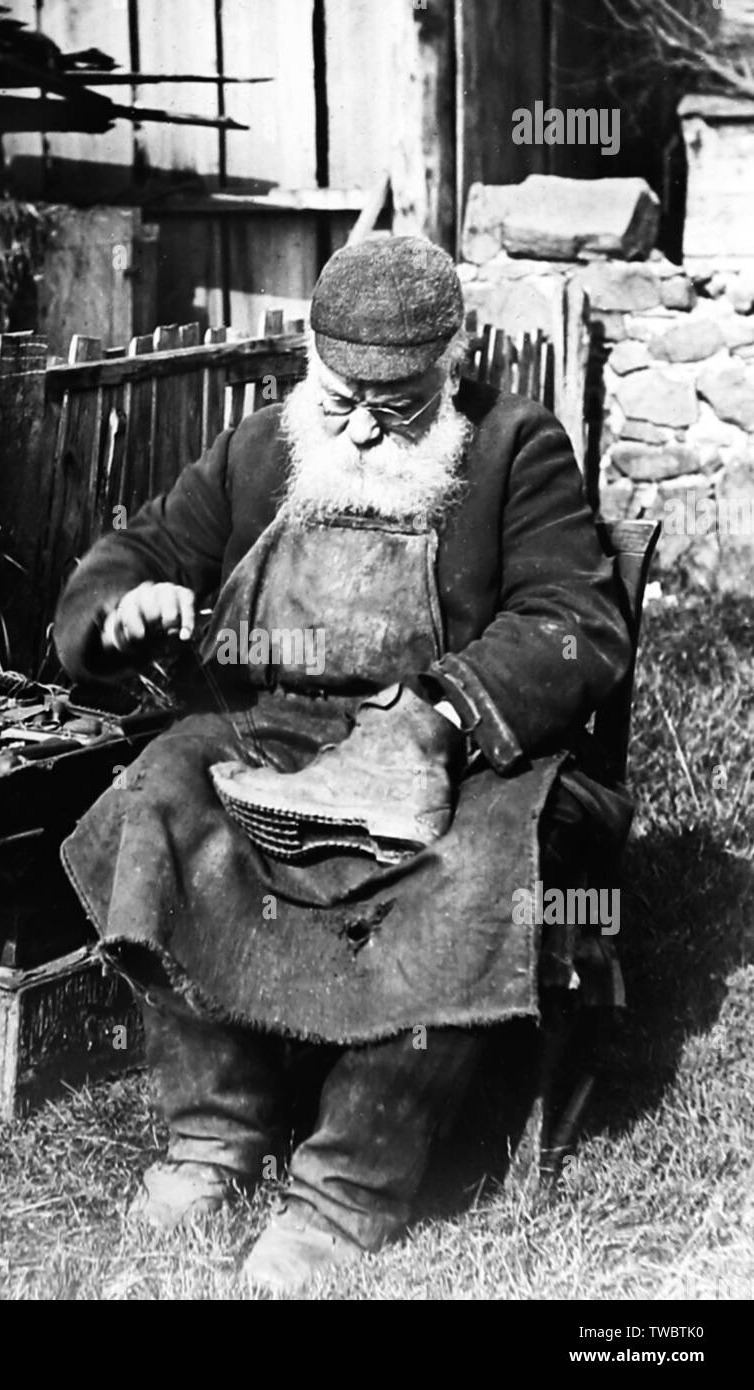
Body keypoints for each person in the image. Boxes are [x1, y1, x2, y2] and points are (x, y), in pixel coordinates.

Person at [53, 236, 633, 1294]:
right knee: (161, 797)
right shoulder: (257, 449)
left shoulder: (514, 448)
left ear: (449, 366)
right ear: (310, 367)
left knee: (468, 872)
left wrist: (444, 712)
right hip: (270, 735)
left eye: (400, 405)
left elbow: (574, 622)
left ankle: (346, 1191)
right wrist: (124, 606)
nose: (363, 423)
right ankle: (215, 1134)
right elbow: (131, 554)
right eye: (340, 397)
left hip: (455, 749)